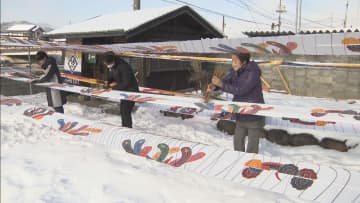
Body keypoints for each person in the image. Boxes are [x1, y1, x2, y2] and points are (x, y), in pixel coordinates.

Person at [211, 52, 265, 153]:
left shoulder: (253, 72)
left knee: (252, 146)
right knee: (237, 142)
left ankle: (249, 166)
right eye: (232, 60)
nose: (233, 63)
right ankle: (239, 162)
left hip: (253, 114)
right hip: (240, 112)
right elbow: (226, 82)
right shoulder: (235, 71)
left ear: (244, 62)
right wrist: (215, 86)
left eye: (235, 61)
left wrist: (221, 84)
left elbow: (241, 90)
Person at [103, 51, 139, 128]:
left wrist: (112, 88)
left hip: (131, 91)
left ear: (112, 61)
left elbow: (126, 83)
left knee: (125, 111)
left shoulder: (123, 66)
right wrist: (108, 81)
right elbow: (111, 76)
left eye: (108, 64)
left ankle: (127, 129)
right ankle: (125, 127)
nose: (108, 66)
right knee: (123, 111)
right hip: (123, 91)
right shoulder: (113, 65)